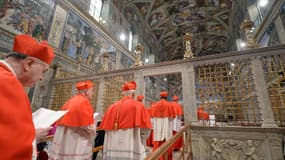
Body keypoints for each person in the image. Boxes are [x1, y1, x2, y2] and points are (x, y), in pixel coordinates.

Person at [0, 34, 55, 160]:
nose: (41, 78)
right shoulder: (9, 85)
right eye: (43, 71)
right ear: (29, 63)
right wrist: (33, 136)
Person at [100, 81, 152, 160]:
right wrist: (142, 138)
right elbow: (146, 129)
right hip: (131, 147)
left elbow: (106, 130)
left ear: (123, 93)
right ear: (133, 93)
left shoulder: (112, 107)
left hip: (113, 148)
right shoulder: (138, 106)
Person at [49, 80, 96, 160]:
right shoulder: (84, 102)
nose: (93, 93)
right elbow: (88, 126)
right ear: (86, 91)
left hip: (64, 142)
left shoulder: (70, 101)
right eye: (92, 91)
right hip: (75, 141)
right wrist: (93, 128)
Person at [150, 91, 177, 160]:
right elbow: (173, 117)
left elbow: (152, 116)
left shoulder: (155, 105)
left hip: (157, 127)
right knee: (166, 141)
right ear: (166, 97)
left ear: (160, 97)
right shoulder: (169, 105)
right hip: (166, 126)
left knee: (158, 141)